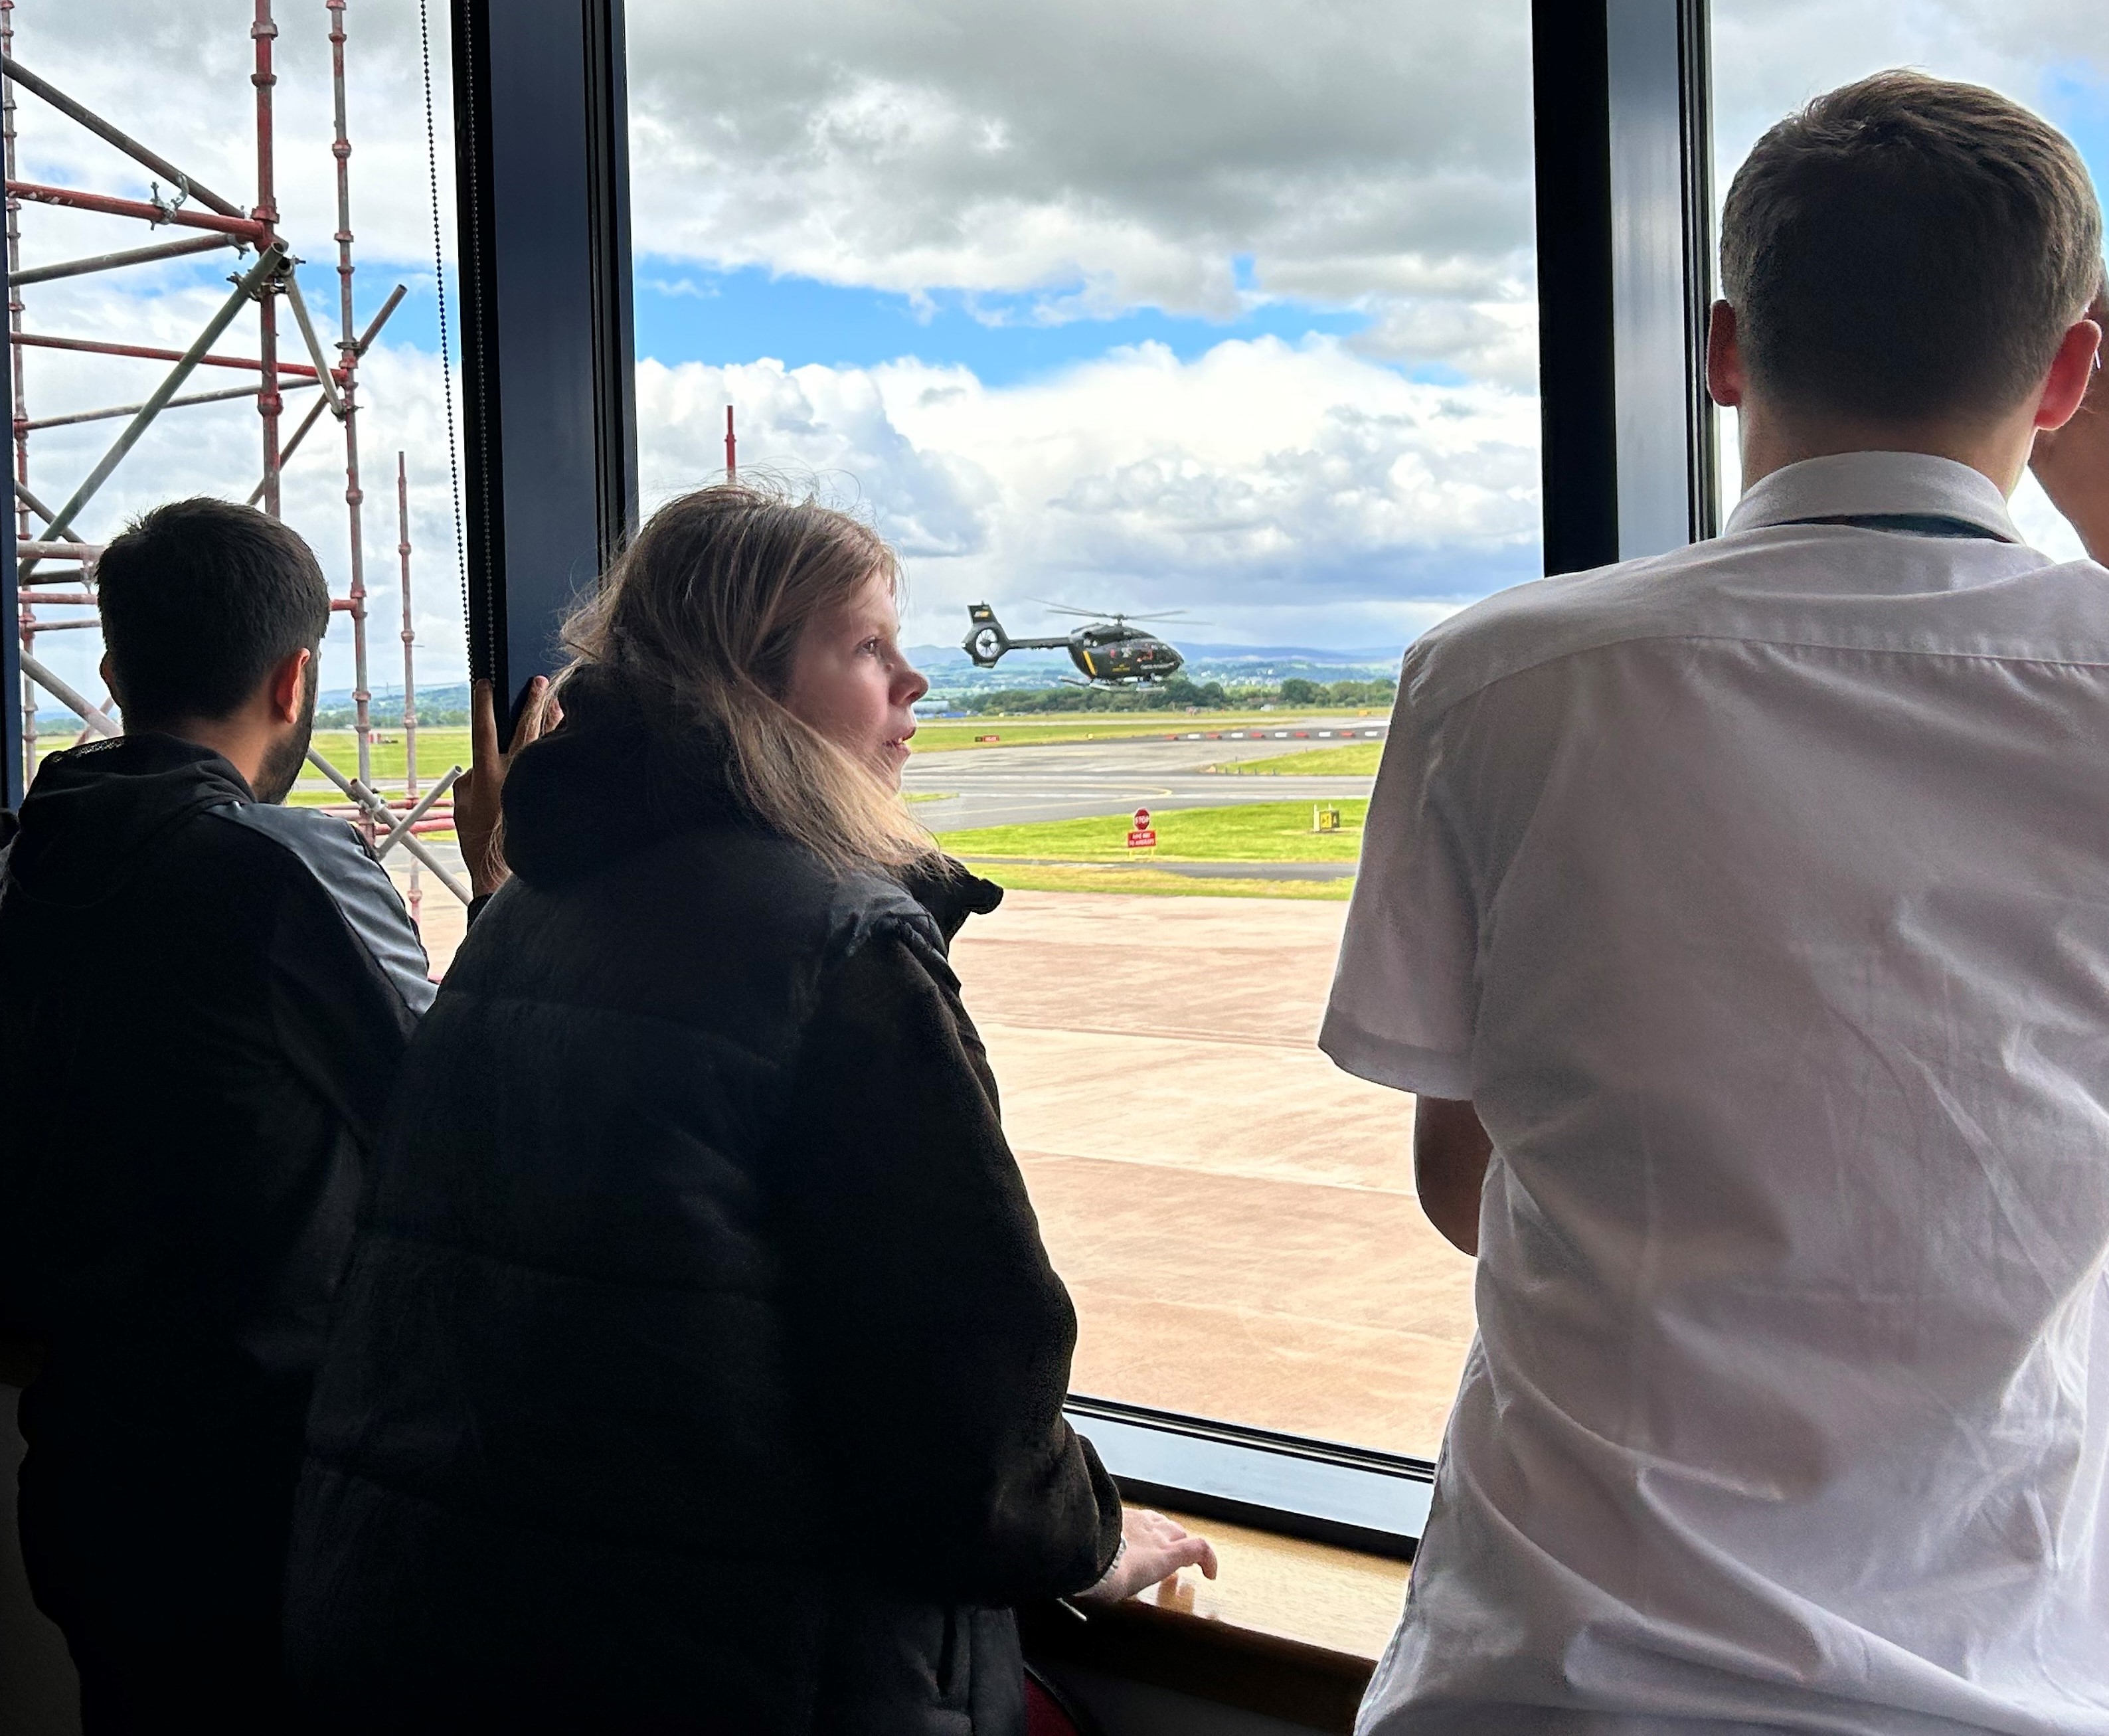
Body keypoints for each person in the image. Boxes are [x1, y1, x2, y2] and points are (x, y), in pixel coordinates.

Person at [1323, 72, 2109, 1734]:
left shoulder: (1492, 677)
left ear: (1722, 352)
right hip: (2006, 1673)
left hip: (1544, 1675)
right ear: (2066, 374)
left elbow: (1463, 1185)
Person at [283, 483, 1215, 1734]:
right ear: (752, 678)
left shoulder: (529, 912)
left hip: (443, 1629)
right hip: (722, 1665)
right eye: (871, 645)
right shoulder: (836, 947)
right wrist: (1082, 1536)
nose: (916, 684)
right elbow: (961, 1407)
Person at [0, 497, 514, 1729]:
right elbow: (470, 1127)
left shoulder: (32, 860)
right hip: (270, 1494)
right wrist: (502, 885)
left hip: (90, 1479)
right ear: (295, 679)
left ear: (116, 671)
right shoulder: (276, 868)